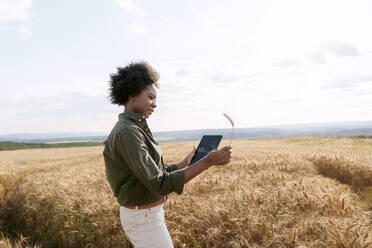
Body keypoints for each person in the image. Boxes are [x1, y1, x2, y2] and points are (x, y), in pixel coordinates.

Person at [103, 61, 232, 248]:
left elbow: (152, 173)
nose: (154, 104)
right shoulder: (128, 132)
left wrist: (183, 164)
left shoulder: (135, 128)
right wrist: (207, 161)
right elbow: (159, 183)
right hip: (143, 219)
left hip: (145, 216)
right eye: (150, 97)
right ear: (131, 95)